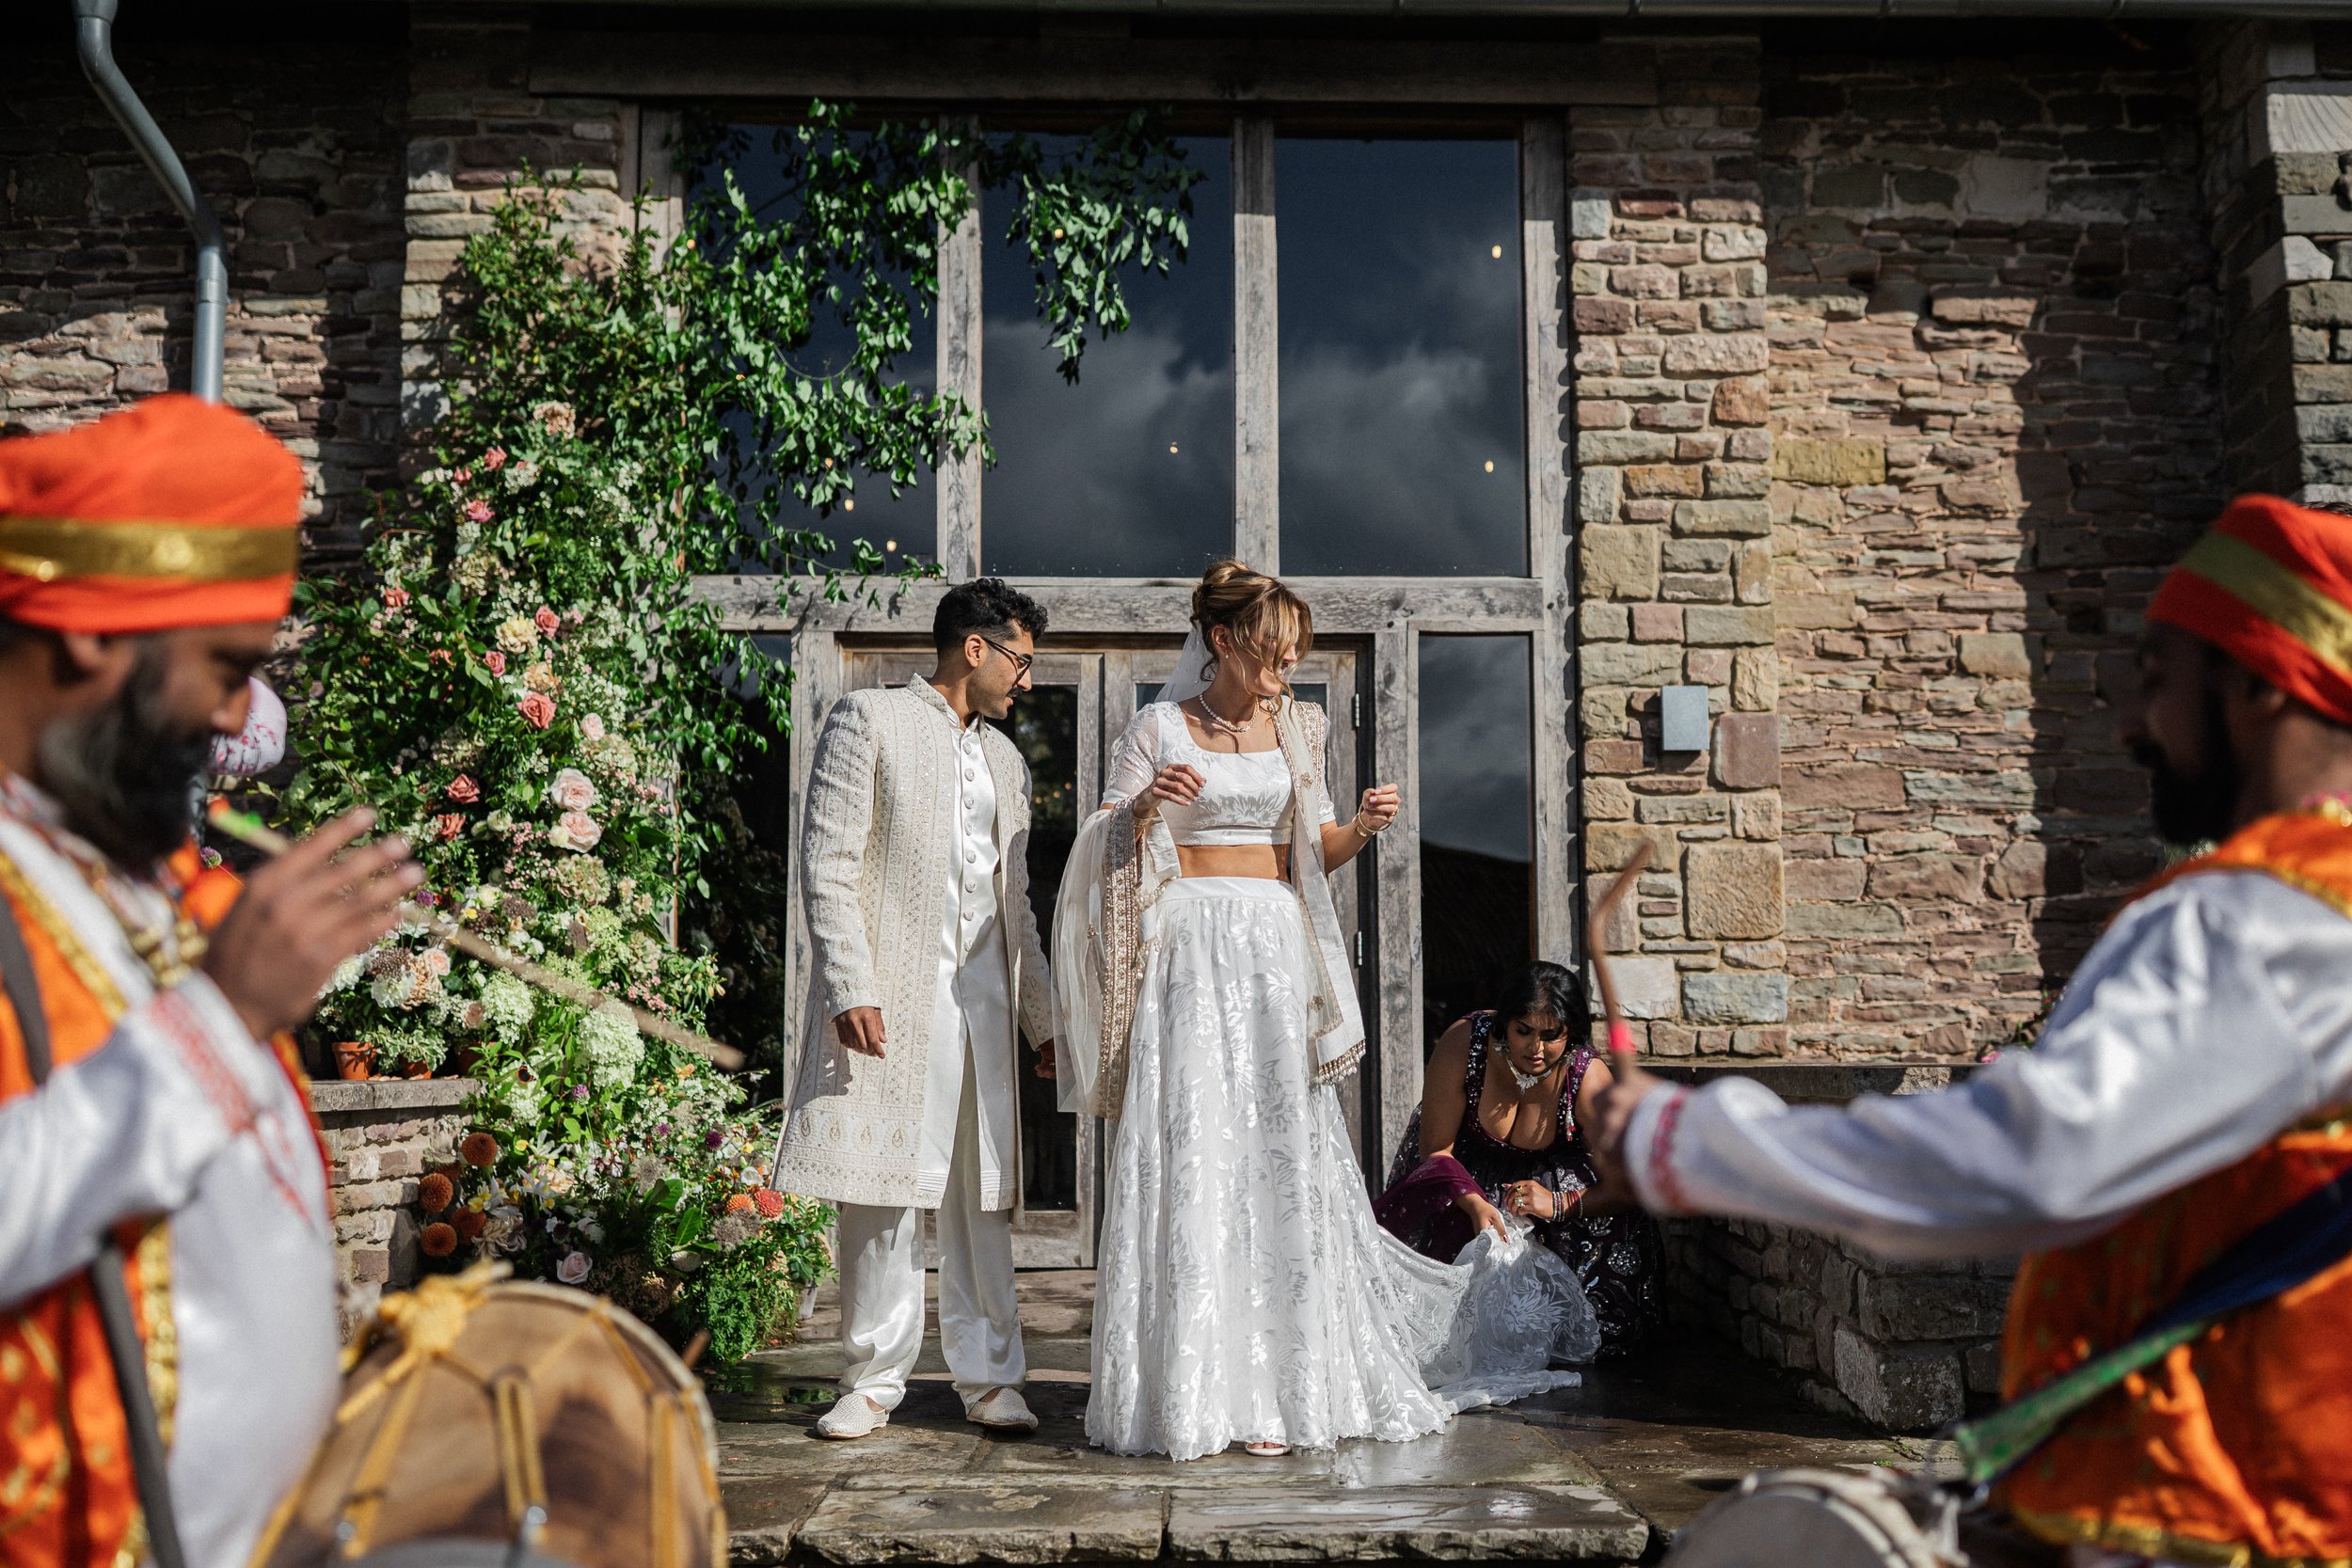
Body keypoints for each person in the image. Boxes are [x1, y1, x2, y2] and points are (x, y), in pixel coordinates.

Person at [1592, 494, 2352, 1566]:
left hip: (2214, 1519)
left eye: (2154, 678)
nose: (2131, 724)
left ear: (2259, 677)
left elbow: (2028, 1155)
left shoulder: (2255, 914)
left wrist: (1681, 1139)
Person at [0, 394, 422, 1567]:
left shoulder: (113, 857)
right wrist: (226, 1014)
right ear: (90, 633)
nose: (244, 715)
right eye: (228, 667)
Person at [1054, 561, 1584, 1463]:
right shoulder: (1155, 725)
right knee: (1199, 1153)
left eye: (1294, 652)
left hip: (1270, 954)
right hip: (1190, 958)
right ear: (1222, 642)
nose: (1287, 667)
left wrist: (1364, 829)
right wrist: (1143, 808)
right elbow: (1098, 846)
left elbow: (1313, 854)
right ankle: (1188, 1387)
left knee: (1274, 1155)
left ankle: (1277, 1383)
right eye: (1273, 651)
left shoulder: (1300, 727)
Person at [771, 578, 1058, 1441]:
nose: (1027, 681)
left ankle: (990, 1376)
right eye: (1022, 660)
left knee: (981, 1193)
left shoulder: (1006, 760)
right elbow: (826, 862)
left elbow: (1019, 908)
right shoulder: (868, 721)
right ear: (976, 648)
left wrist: (1040, 1020)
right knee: (882, 1190)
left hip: (982, 1002)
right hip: (896, 992)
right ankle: (870, 1378)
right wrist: (851, 983)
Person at [1377, 961, 1664, 1357]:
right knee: (1425, 1324)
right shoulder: (1465, 1043)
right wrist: (1473, 1203)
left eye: (1551, 1035)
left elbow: (1630, 1181)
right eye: (1523, 1031)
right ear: (1504, 1024)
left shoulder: (1586, 1075)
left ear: (1571, 1032)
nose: (1536, 1048)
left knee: (1589, 1326)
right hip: (1464, 1179)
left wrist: (1558, 1203)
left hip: (1552, 1201)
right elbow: (1437, 1151)